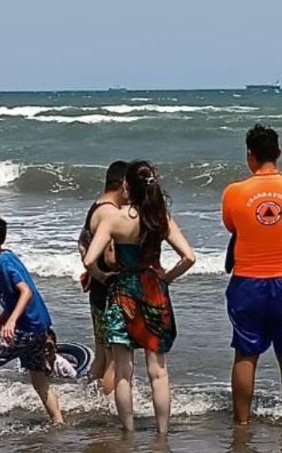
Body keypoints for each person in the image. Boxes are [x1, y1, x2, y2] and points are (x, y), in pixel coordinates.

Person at [83, 160, 196, 433]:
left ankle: (128, 432)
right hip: (154, 292)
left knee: (124, 371)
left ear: (126, 186)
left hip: (123, 292)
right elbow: (189, 257)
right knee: (158, 371)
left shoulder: (114, 218)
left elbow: (89, 259)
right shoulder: (160, 219)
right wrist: (166, 277)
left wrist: (100, 276)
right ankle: (162, 431)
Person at [221, 124, 282, 424]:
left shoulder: (234, 193)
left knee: (245, 355)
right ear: (279, 152)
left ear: (250, 156)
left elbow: (232, 226)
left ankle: (242, 423)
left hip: (247, 281)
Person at [0, 213, 63, 435]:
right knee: (38, 379)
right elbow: (17, 295)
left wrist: (12, 320)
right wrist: (5, 313)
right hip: (39, 329)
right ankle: (58, 422)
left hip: (25, 330)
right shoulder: (7, 256)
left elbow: (25, 291)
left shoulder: (2, 262)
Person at [77, 160, 128, 395]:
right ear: (123, 185)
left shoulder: (96, 207)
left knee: (101, 353)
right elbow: (110, 256)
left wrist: (94, 274)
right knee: (114, 360)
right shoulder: (111, 213)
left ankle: (90, 400)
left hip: (97, 289)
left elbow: (82, 245)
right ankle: (109, 406)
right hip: (109, 290)